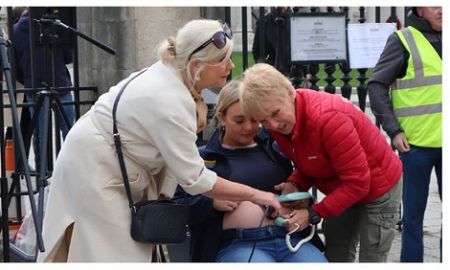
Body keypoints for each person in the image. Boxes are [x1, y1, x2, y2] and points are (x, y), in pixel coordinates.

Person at [36, 19, 281, 262]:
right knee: (109, 255)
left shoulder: (171, 74)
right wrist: (257, 195)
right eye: (221, 60)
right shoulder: (169, 99)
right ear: (197, 65)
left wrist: (162, 192)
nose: (229, 66)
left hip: (105, 163)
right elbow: (196, 179)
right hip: (96, 171)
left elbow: (170, 153)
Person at [240, 63, 403, 262]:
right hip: (344, 185)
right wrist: (295, 183)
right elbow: (312, 159)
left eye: (275, 113)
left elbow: (358, 183)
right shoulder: (282, 123)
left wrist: (312, 213)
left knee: (372, 257)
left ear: (290, 92)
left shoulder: (328, 118)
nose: (272, 125)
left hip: (380, 188)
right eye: (263, 121)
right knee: (336, 252)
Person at [173, 80, 326, 262]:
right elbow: (177, 209)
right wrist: (211, 202)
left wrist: (300, 199)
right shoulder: (201, 159)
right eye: (239, 120)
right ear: (221, 117)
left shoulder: (276, 149)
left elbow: (305, 178)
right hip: (237, 243)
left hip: (290, 239)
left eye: (255, 120)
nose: (248, 127)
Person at [367, 7, 442, 262]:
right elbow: (376, 86)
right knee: (412, 218)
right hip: (416, 146)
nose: (442, 8)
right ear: (420, 7)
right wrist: (394, 130)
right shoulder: (403, 39)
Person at [13, 7, 75, 169]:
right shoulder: (55, 24)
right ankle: (70, 168)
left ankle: (44, 171)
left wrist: (28, 79)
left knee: (40, 133)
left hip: (33, 86)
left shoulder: (16, 31)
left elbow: (15, 67)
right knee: (69, 129)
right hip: (60, 82)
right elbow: (68, 56)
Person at [252, 7, 292, 76]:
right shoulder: (264, 21)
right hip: (271, 73)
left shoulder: (296, 20)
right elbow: (257, 52)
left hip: (294, 73)